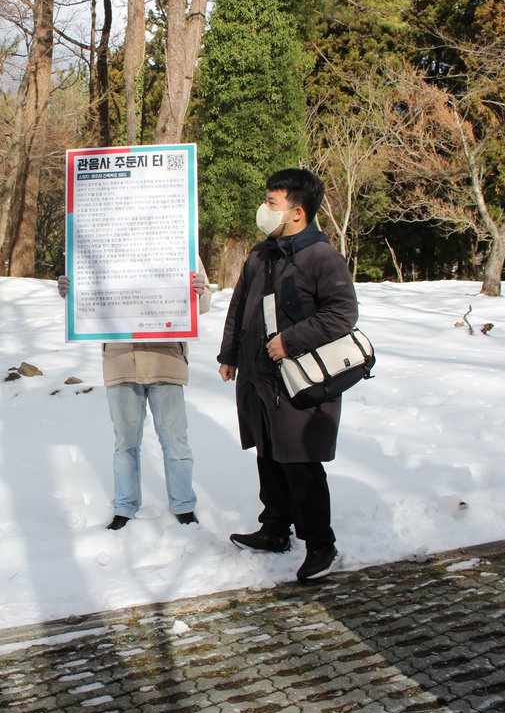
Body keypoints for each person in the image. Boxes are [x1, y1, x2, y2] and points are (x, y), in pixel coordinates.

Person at [217, 168, 358, 583]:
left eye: (272, 202)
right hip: (259, 377)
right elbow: (239, 307)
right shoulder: (262, 254)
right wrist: (230, 354)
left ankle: (321, 544)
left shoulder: (321, 257)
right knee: (268, 455)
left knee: (300, 463)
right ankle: (275, 529)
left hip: (301, 379)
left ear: (297, 211)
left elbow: (342, 314)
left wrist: (290, 340)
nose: (264, 209)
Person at [58, 267, 211, 529]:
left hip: (166, 357)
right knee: (125, 441)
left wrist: (200, 290)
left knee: (175, 439)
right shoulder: (102, 244)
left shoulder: (179, 239)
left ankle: (184, 505)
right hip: (120, 360)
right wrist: (71, 292)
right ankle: (125, 506)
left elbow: (204, 303)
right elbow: (89, 301)